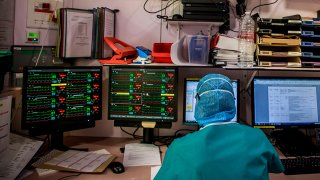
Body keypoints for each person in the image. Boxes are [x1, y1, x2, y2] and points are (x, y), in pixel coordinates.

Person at [154, 74, 284, 180]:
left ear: (198, 102)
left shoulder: (180, 147)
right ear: (232, 101)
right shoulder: (257, 137)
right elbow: (277, 168)